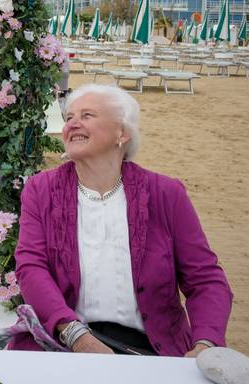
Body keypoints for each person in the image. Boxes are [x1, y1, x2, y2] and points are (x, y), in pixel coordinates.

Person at [13, 84, 232, 356]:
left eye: (87, 115)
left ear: (122, 133)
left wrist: (205, 345)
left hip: (150, 348)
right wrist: (76, 336)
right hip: (64, 342)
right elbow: (31, 267)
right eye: (69, 118)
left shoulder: (166, 193)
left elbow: (205, 279)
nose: (73, 124)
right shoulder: (41, 189)